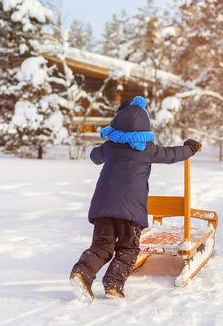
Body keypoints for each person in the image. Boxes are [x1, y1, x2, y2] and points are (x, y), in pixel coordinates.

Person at [69, 96, 202, 301]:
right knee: (128, 248)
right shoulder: (148, 149)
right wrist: (190, 148)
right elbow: (172, 154)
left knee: (101, 246)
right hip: (130, 212)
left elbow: (95, 156)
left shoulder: (110, 147)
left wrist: (109, 144)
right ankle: (113, 284)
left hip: (102, 207)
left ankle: (82, 273)